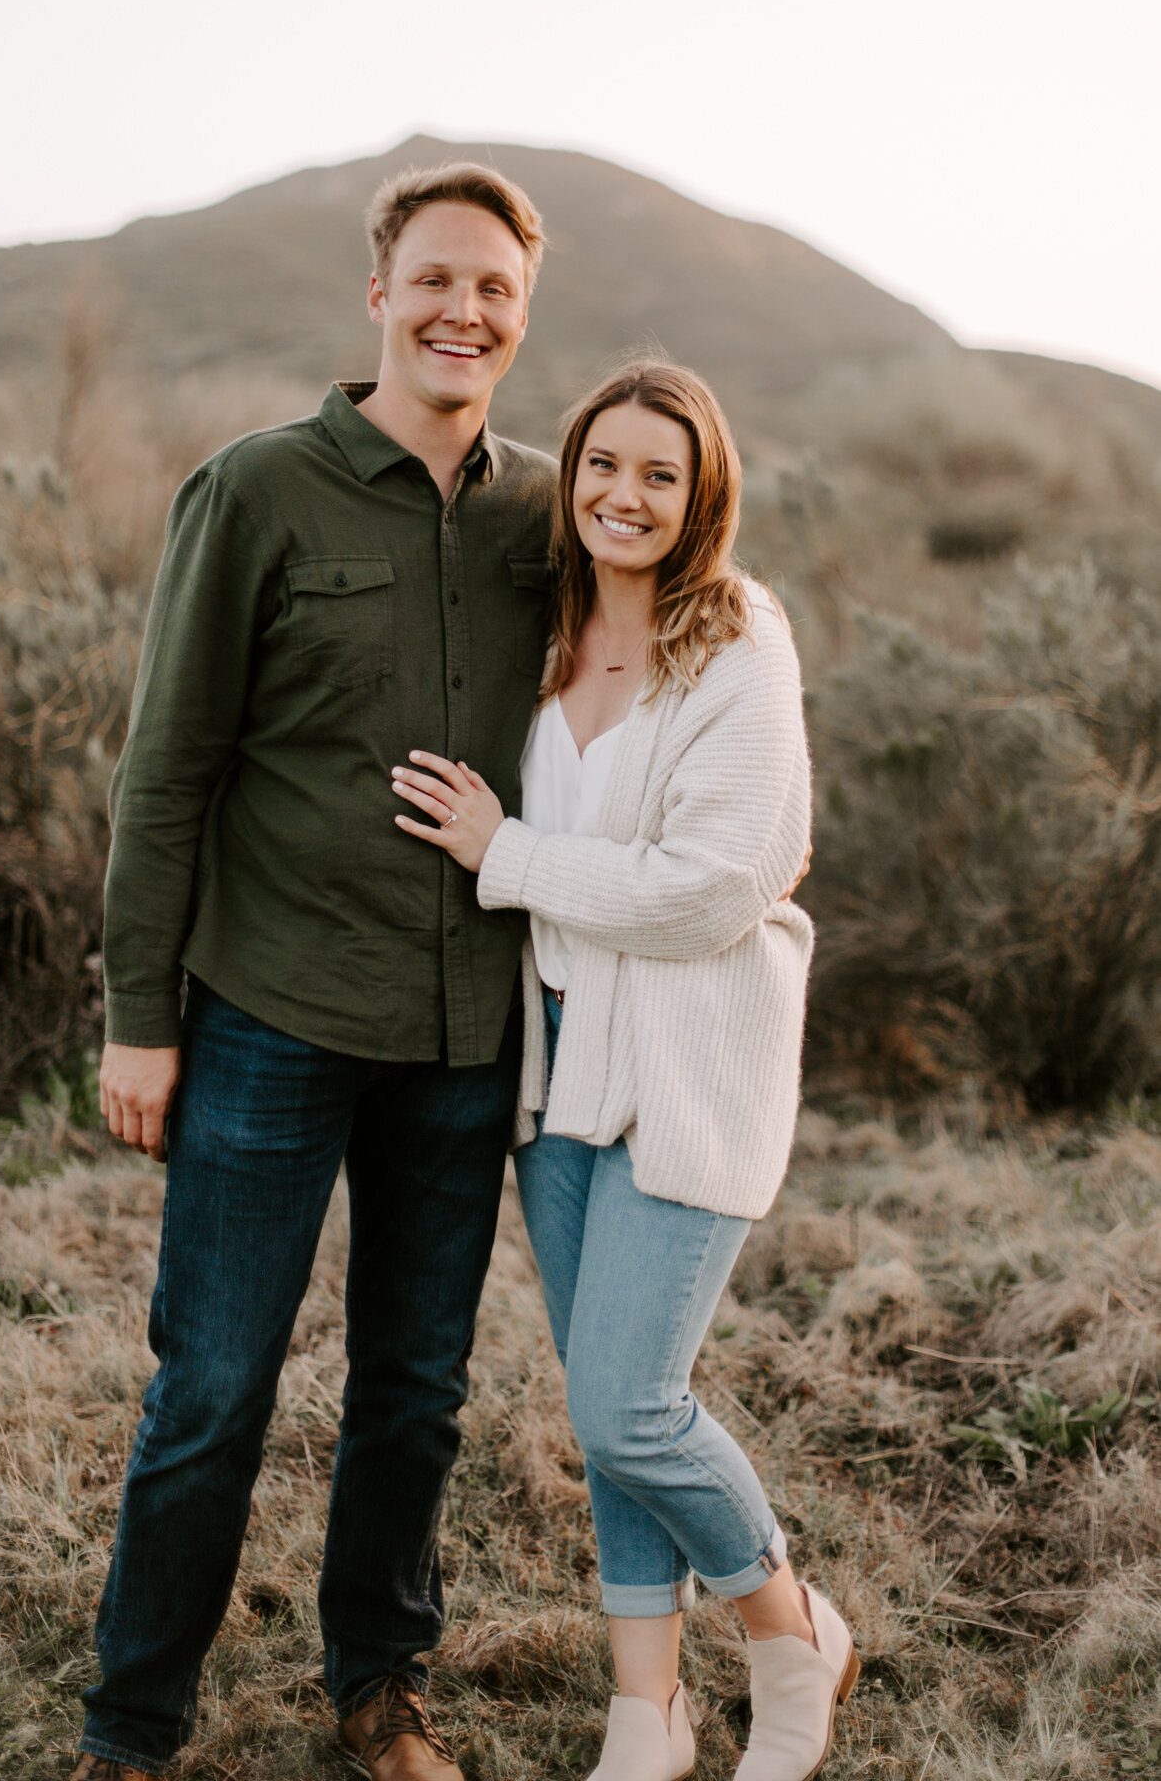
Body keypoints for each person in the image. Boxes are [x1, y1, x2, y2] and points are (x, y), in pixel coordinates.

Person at [72, 163, 557, 1781]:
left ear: (520, 311)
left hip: (462, 1031)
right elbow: (168, 771)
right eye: (433, 279)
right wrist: (141, 1020)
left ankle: (377, 1689)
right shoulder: (259, 488)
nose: (459, 311)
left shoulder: (549, 510)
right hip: (272, 1018)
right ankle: (134, 1727)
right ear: (377, 295)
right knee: (211, 1388)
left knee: (414, 1391)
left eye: (491, 288)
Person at [390, 360, 857, 1781]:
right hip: (560, 1076)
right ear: (569, 475)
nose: (624, 496)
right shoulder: (541, 629)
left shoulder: (737, 641)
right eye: (602, 465)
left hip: (687, 1071)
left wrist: (505, 856)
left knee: (627, 1405)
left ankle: (789, 1637)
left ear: (700, 491)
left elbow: (711, 889)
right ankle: (641, 1715)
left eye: (660, 473)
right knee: (610, 1415)